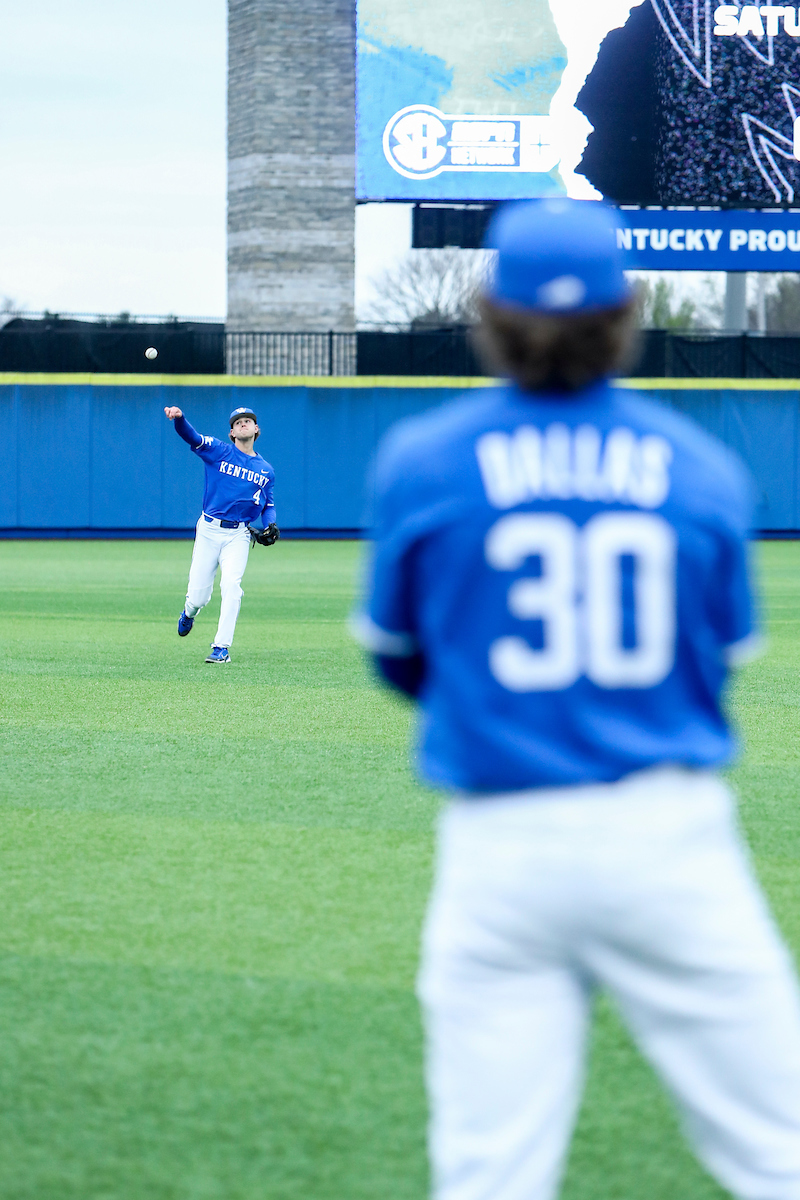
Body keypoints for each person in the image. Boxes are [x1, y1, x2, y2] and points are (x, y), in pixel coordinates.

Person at [352, 199, 800, 1200]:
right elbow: (715, 660)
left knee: (488, 1173)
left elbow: (399, 663)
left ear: (487, 314)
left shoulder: (423, 459)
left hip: (499, 845)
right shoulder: (702, 469)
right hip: (667, 840)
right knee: (779, 1151)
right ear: (626, 314)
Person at [164, 404, 278, 663]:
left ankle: (221, 647)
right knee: (198, 596)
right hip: (208, 530)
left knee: (231, 586)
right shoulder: (219, 451)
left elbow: (268, 505)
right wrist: (180, 419)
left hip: (238, 535)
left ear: (256, 429)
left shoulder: (266, 471)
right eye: (238, 422)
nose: (243, 424)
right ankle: (189, 612)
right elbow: (191, 437)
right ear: (232, 433)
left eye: (248, 420)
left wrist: (271, 524)